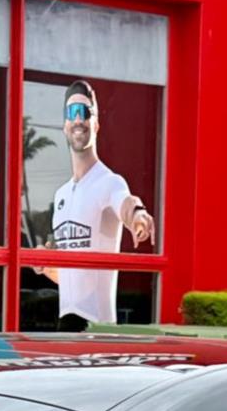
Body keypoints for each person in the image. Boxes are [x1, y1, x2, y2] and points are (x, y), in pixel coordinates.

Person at [46, 80, 155, 330]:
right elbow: (71, 277)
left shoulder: (109, 182)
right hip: (65, 327)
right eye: (72, 112)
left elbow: (125, 202)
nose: (78, 119)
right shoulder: (61, 195)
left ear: (96, 124)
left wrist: (138, 215)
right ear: (64, 125)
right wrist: (46, 266)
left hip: (97, 328)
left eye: (85, 112)